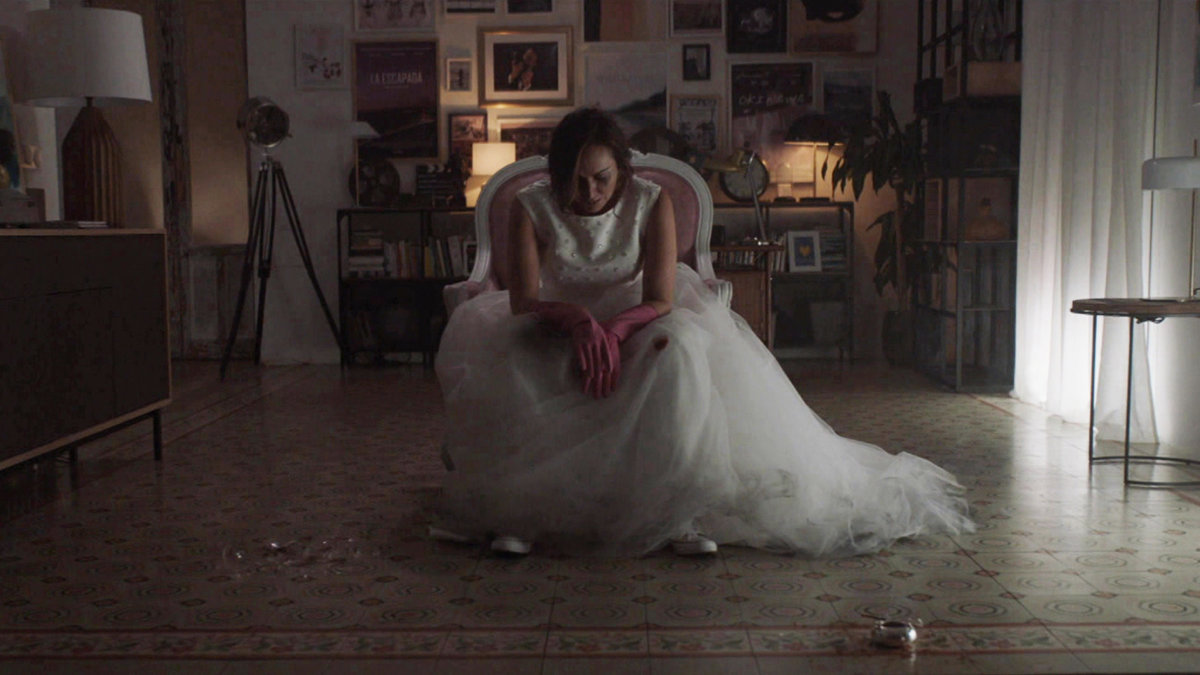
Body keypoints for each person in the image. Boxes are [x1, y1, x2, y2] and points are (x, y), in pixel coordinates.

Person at [432, 107, 973, 557]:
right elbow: (524, 300)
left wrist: (612, 331)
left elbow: (659, 298)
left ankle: (677, 510)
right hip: (558, 315)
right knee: (514, 351)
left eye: (601, 178)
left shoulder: (650, 200)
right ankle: (523, 511)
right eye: (575, 180)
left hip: (635, 314)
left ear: (621, 171)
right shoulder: (532, 205)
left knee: (682, 350)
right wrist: (577, 321)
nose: (589, 191)